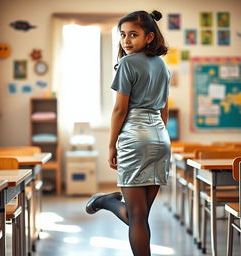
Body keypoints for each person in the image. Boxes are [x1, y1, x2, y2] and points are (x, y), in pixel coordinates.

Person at [86, 10, 171, 256]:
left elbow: (119, 109)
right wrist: (160, 136)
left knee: (136, 217)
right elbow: (164, 109)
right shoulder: (163, 66)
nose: (126, 40)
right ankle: (105, 201)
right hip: (160, 139)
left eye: (133, 34)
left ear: (150, 37)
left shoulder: (127, 63)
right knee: (140, 216)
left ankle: (105, 201)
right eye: (122, 35)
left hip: (135, 137)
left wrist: (111, 145)